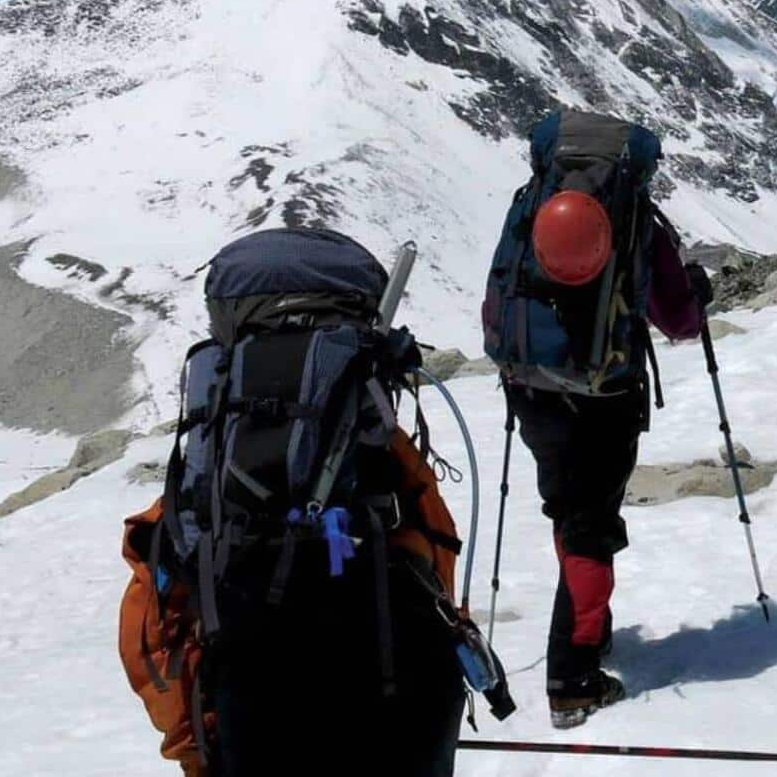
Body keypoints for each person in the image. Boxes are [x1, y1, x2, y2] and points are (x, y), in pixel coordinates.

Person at [122, 227, 509, 777]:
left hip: (255, 704)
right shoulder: (389, 465)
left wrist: (203, 750)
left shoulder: (208, 474)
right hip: (403, 701)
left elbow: (153, 630)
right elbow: (437, 561)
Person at [482, 109, 704, 728]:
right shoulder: (634, 217)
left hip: (530, 390)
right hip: (605, 397)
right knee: (591, 527)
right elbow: (681, 320)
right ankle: (573, 677)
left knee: (570, 512)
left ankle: (592, 627)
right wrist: (696, 293)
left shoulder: (529, 207)